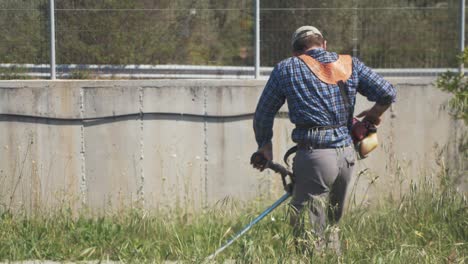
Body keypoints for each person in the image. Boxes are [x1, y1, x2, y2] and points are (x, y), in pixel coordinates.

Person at [251, 26, 396, 250]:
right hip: (347, 156)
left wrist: (265, 145)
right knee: (331, 227)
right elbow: (387, 92)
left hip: (315, 156)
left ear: (294, 51)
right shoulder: (349, 63)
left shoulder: (286, 68)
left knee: (307, 232)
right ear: (324, 44)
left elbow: (263, 113)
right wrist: (374, 114)